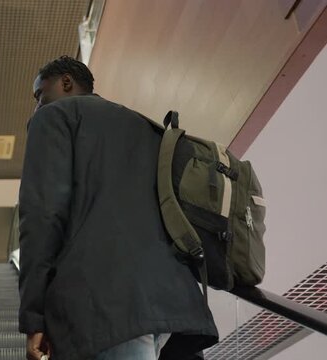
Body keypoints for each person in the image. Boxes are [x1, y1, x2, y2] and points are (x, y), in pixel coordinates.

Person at [18, 56, 218, 360]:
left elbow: (42, 216)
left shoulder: (54, 117)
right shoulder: (148, 128)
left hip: (104, 308)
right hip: (176, 309)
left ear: (66, 82)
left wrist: (34, 317)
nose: (37, 105)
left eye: (39, 94)